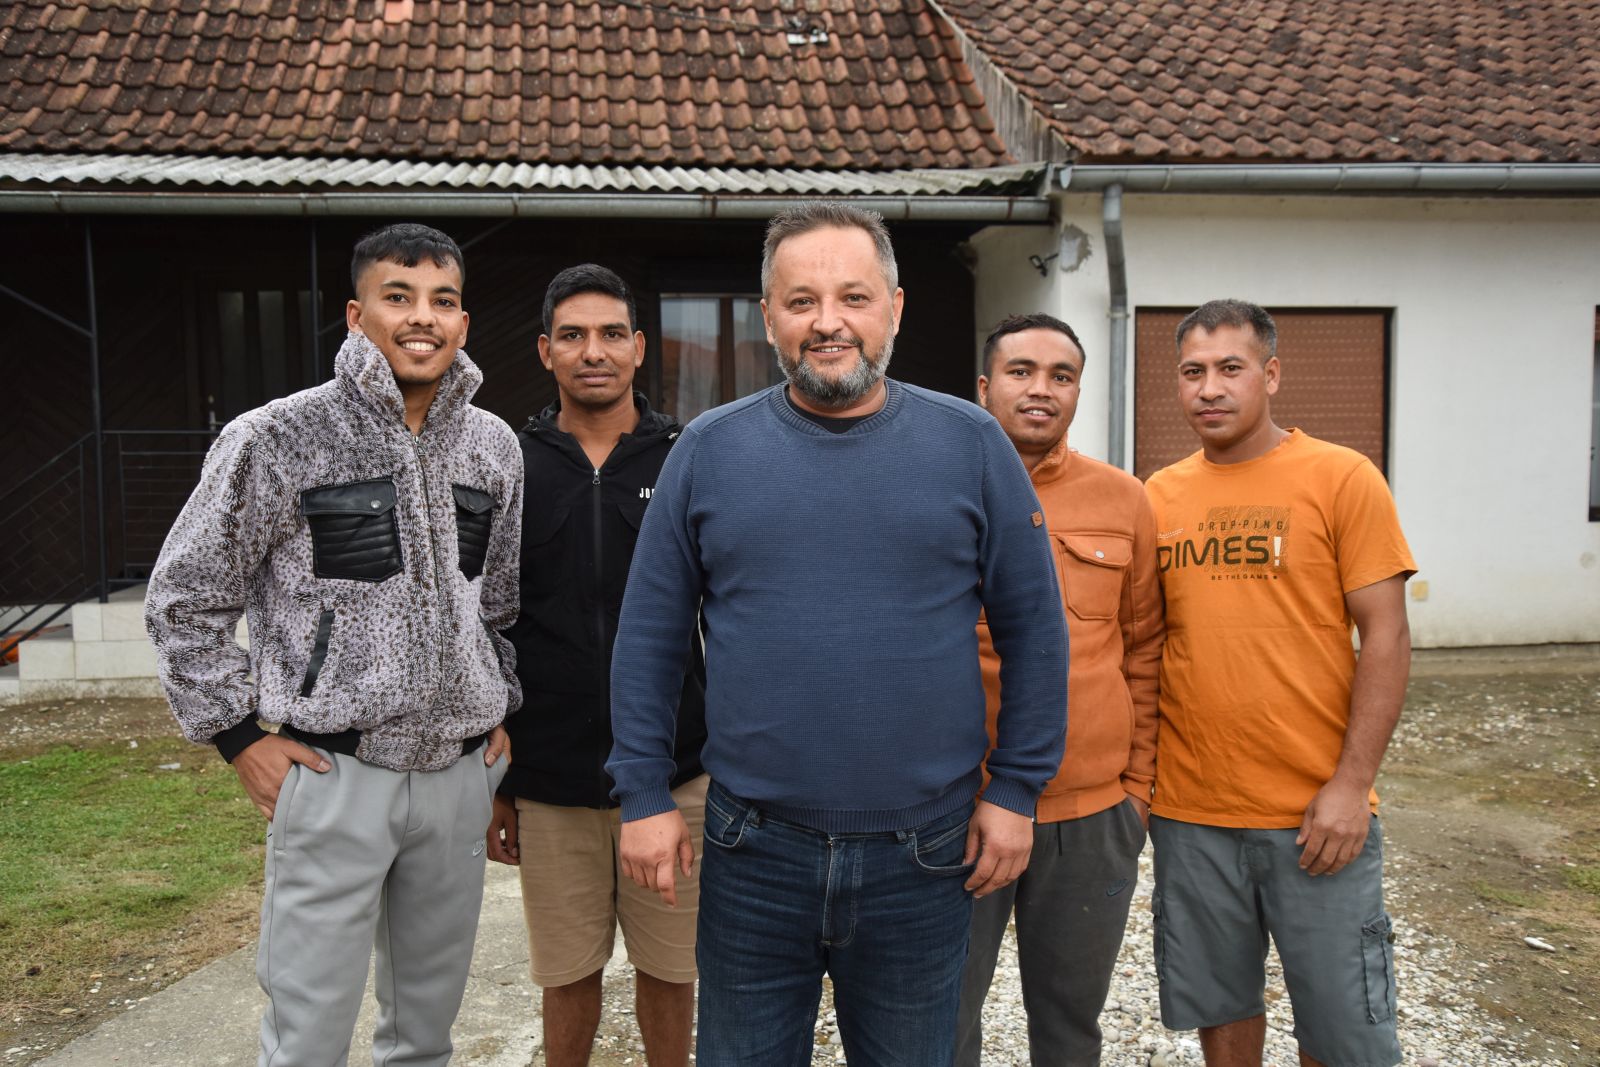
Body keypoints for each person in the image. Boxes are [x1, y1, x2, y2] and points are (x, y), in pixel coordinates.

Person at [605, 201, 1069, 1067]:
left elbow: (1034, 630)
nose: (829, 323)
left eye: (853, 297)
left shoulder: (971, 445)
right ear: (768, 317)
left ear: (894, 306)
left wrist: (1016, 790)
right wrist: (642, 792)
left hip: (926, 852)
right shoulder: (710, 450)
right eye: (802, 301)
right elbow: (650, 639)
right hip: (752, 848)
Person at [144, 223, 522, 1067]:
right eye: (399, 296)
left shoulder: (493, 447)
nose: (422, 317)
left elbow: (496, 601)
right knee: (308, 1040)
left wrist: (498, 702)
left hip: (457, 780)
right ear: (357, 315)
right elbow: (182, 599)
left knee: (425, 1037)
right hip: (331, 775)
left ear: (463, 320)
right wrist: (239, 736)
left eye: (443, 300)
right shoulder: (277, 438)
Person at [1145, 299, 1415, 1067]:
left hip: (1315, 813)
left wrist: (1351, 782)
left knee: (1342, 1026)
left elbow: (1387, 636)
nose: (1210, 387)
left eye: (1231, 368)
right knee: (1220, 1005)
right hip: (1192, 811)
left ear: (1270, 373)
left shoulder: (1340, 477)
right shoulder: (1160, 496)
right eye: (1192, 371)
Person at [487, 264, 707, 1067]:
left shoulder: (687, 458)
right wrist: (500, 779)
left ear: (640, 347)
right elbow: (491, 625)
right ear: (546, 351)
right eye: (573, 335)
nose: (594, 351)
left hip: (677, 773)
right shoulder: (510, 466)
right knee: (568, 971)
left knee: (670, 966)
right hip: (550, 778)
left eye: (612, 333)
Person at [955, 313, 1164, 1066]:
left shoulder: (1124, 500)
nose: (1040, 390)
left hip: (1090, 818)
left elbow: (1144, 653)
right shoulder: (938, 489)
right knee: (940, 1023)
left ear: (1078, 390)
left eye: (1061, 375)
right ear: (985, 387)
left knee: (1071, 1027)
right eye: (1020, 372)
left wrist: (1135, 789)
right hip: (958, 812)